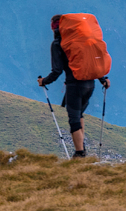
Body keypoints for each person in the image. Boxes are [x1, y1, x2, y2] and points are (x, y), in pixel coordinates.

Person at [38, 15, 109, 158]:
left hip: (74, 86)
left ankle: (79, 153)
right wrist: (102, 79)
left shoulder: (58, 44)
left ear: (54, 28)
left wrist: (44, 81)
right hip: (90, 84)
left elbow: (56, 71)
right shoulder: (81, 42)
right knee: (79, 114)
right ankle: (82, 150)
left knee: (74, 119)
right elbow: (90, 62)